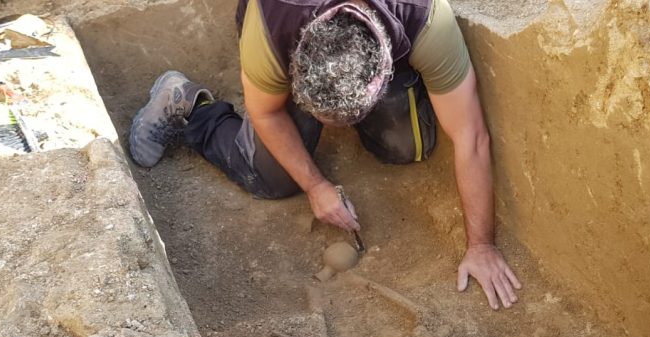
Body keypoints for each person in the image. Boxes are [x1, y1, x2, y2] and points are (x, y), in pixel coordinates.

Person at [127, 0, 521, 309]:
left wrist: (481, 245)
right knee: (271, 178)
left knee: (407, 147)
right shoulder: (274, 27)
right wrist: (315, 185)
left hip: (378, 46)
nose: (331, 131)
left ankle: (353, 106)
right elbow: (266, 111)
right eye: (320, 116)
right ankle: (190, 107)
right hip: (285, 28)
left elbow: (471, 137)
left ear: (382, 72)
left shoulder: (426, 20)